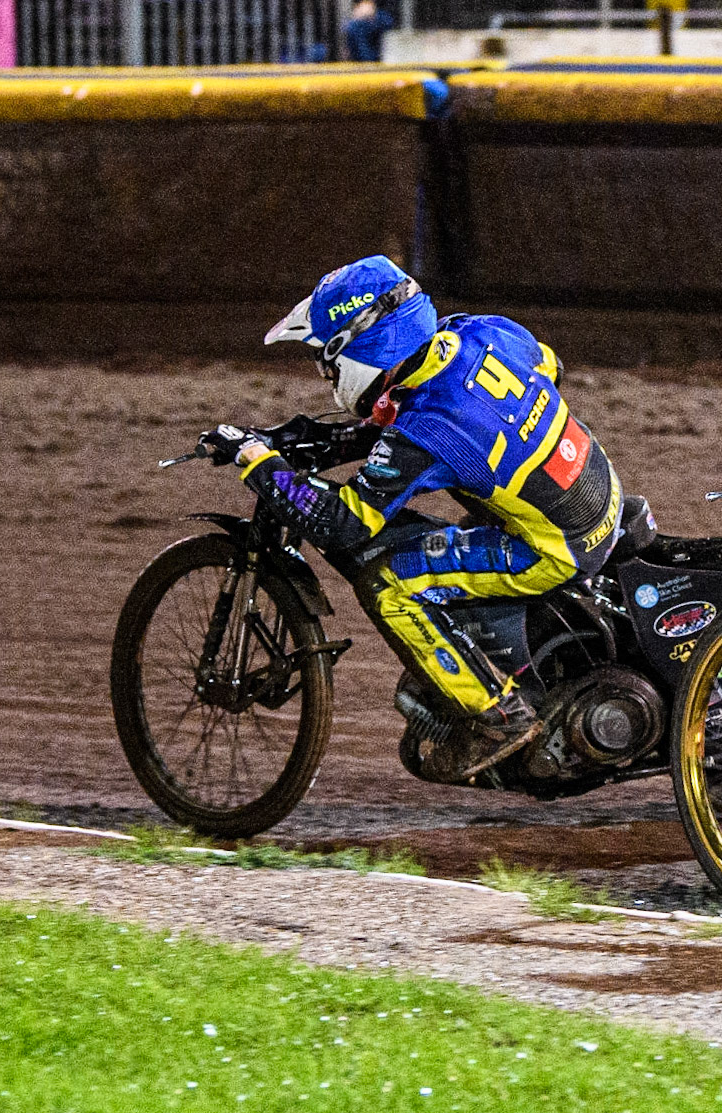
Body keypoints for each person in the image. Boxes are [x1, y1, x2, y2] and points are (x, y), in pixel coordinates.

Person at [223, 255, 625, 781]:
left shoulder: (424, 431)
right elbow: (547, 366)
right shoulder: (480, 332)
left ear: (357, 351)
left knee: (390, 584)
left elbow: (346, 524)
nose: (327, 375)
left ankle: (497, 716)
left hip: (554, 549)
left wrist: (260, 466)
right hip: (601, 494)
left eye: (328, 362)